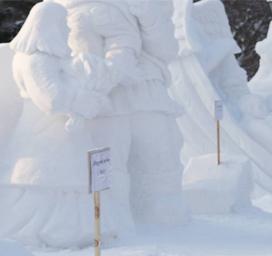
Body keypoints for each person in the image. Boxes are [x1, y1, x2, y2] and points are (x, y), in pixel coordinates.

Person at [0, 1, 133, 247]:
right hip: (44, 132)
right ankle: (42, 231)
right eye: (62, 25)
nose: (66, 31)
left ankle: (80, 229)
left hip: (63, 130)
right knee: (46, 182)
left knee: (75, 180)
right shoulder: (34, 59)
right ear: (47, 25)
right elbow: (51, 98)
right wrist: (87, 101)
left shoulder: (46, 58)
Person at [56, 0, 189, 225]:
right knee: (106, 168)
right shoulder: (66, 7)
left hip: (146, 91)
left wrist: (149, 15)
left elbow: (166, 50)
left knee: (159, 159)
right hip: (99, 98)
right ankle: (111, 223)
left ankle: (164, 221)